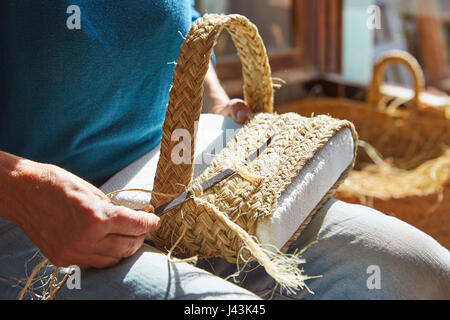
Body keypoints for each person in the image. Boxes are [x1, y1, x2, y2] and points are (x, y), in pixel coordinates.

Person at [0, 1, 449, 300]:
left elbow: (180, 20)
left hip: (181, 174)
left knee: (422, 271)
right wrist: (22, 187)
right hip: (35, 218)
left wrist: (212, 102)